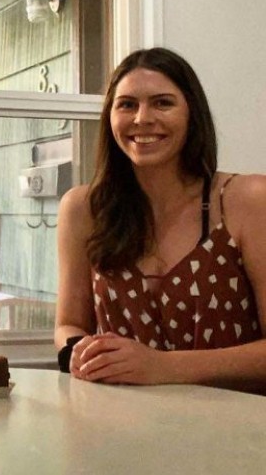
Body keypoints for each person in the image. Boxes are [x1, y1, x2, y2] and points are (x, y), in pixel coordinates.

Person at [55, 47, 266, 392]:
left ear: (192, 114)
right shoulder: (82, 208)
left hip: (235, 431)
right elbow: (68, 324)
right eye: (127, 105)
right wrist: (76, 352)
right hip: (120, 428)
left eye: (162, 103)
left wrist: (162, 366)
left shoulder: (250, 199)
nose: (142, 118)